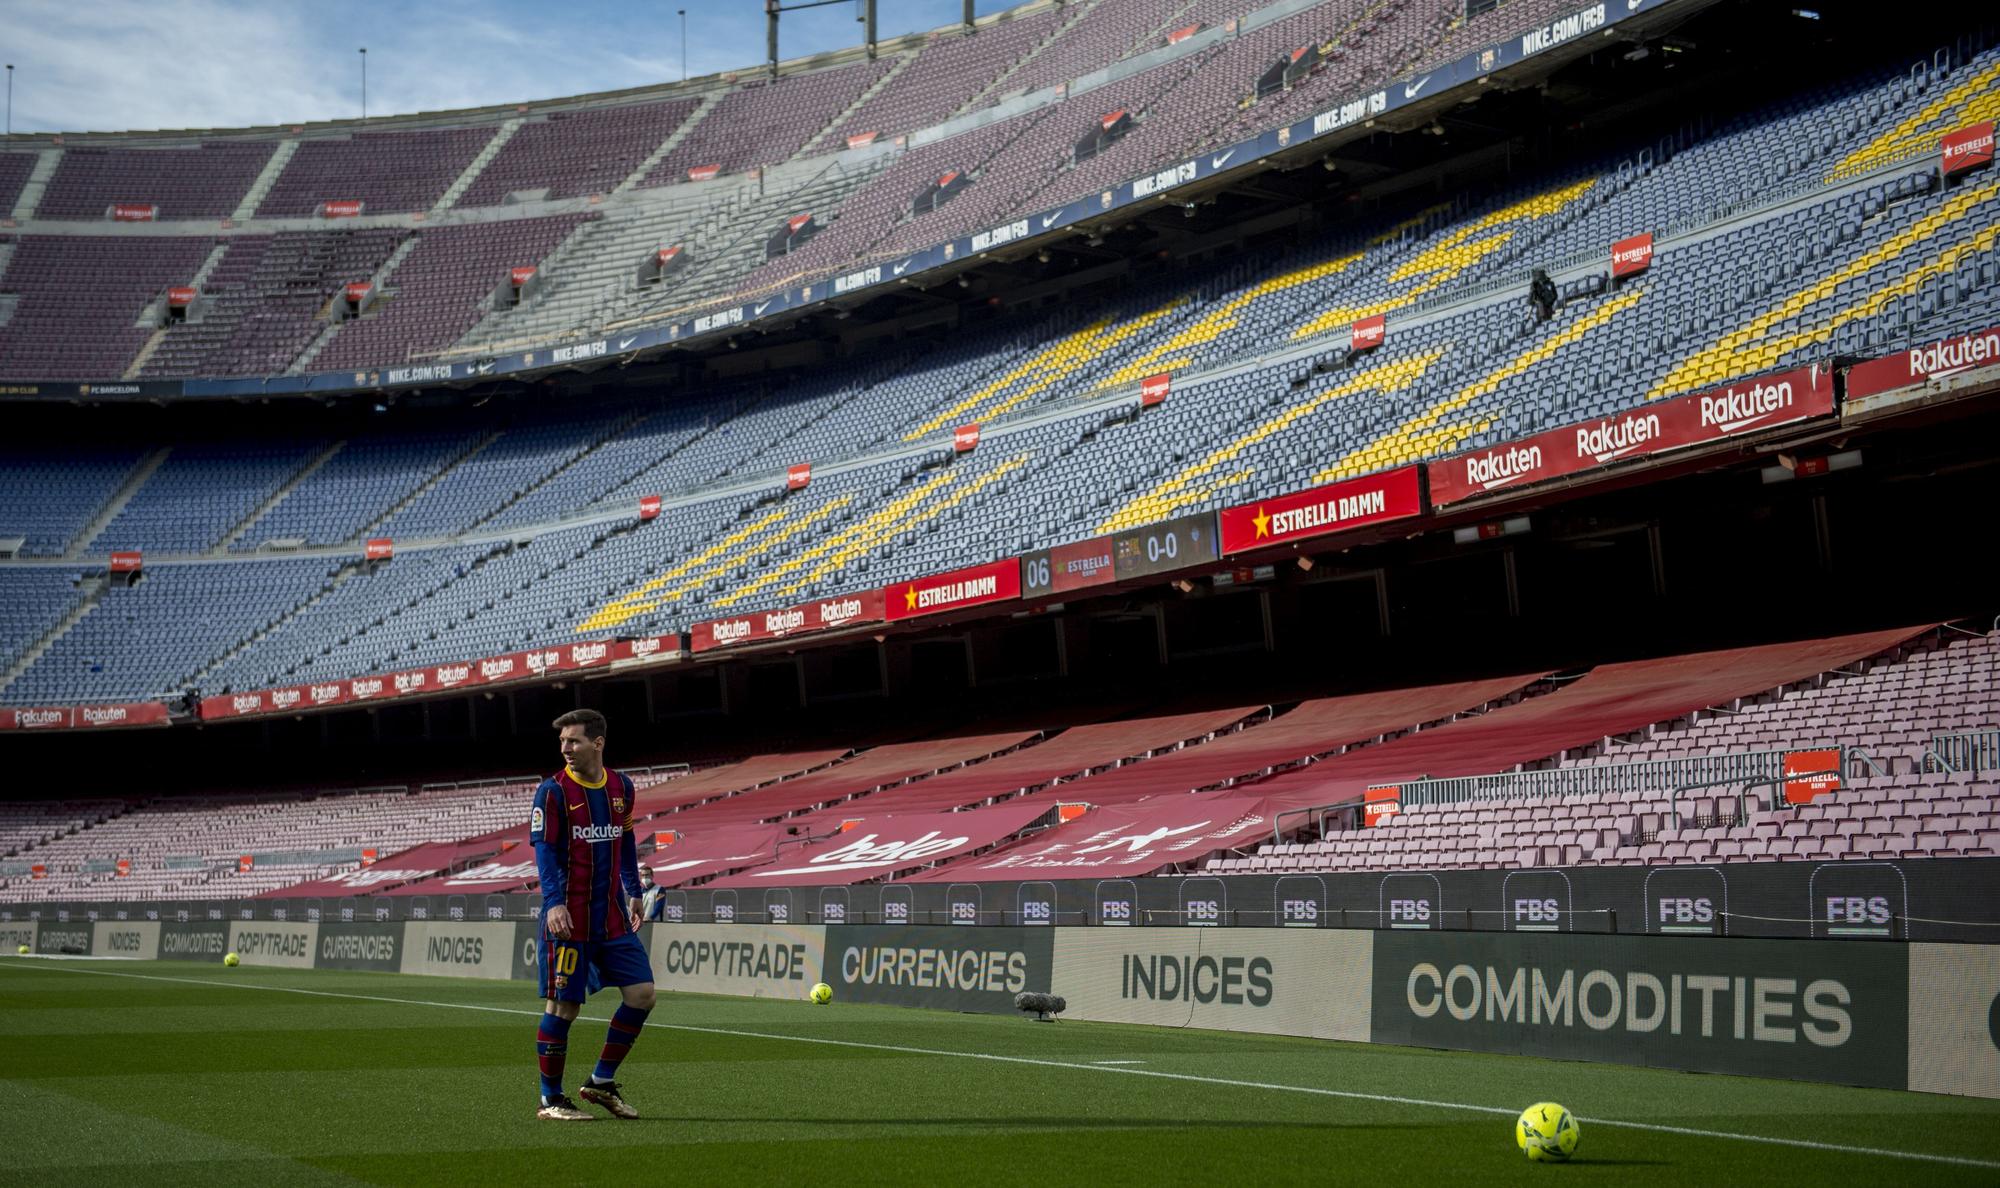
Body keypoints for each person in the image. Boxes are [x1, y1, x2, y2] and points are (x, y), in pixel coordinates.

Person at [529, 708, 656, 1122]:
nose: (565, 748)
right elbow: (545, 853)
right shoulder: (552, 792)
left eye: (574, 741)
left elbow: (625, 838)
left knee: (642, 995)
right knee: (563, 1009)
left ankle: (600, 1083)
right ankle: (551, 1100)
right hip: (569, 919)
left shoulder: (621, 786)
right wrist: (554, 903)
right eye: (562, 741)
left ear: (597, 743)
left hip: (612, 917)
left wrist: (634, 891)